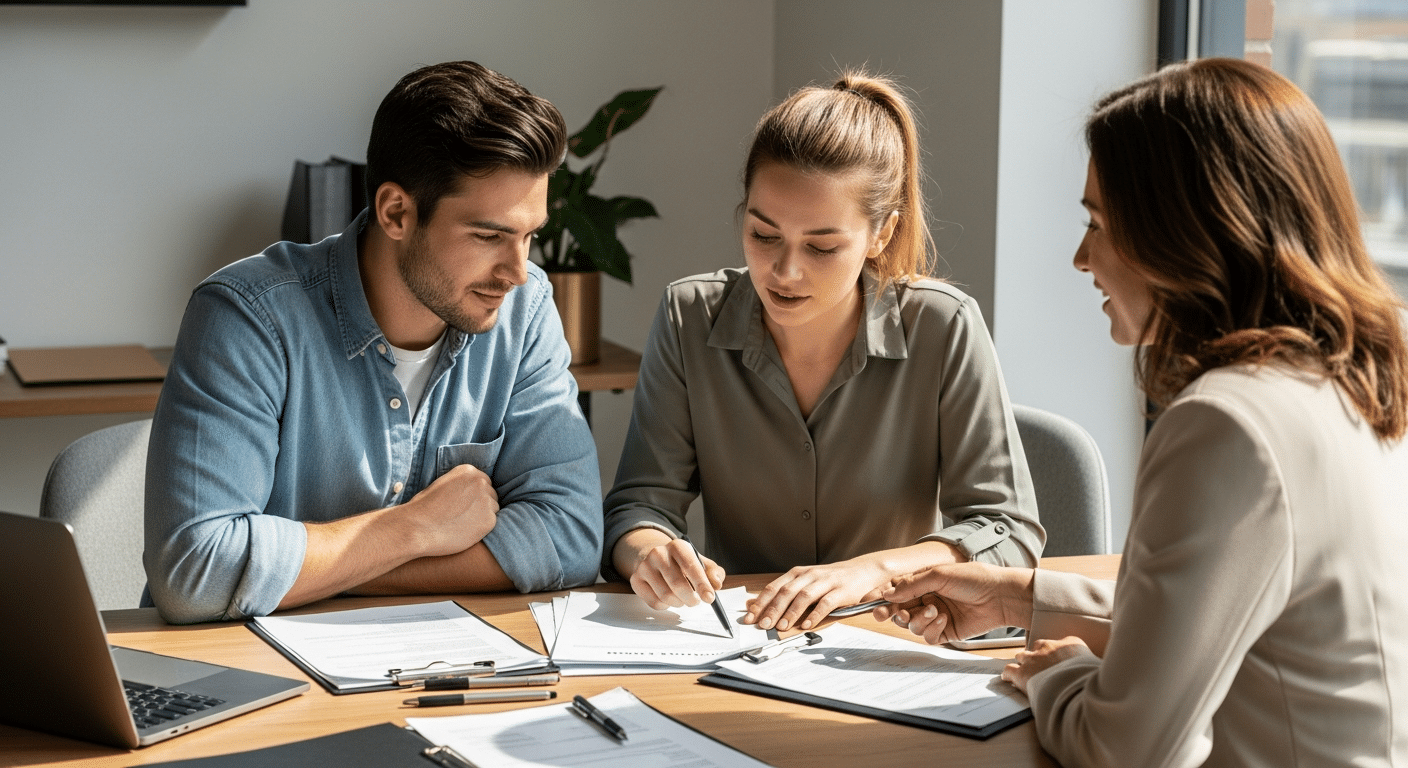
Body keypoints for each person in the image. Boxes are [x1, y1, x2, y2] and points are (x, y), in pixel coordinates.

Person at [878, 58, 1408, 767]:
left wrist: (1056, 675)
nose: (1079, 257)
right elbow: (1229, 618)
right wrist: (1014, 598)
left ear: (1182, 230)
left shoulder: (1227, 424)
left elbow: (1125, 748)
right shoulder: (1347, 381)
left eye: (1096, 221)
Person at [144, 61, 603, 625]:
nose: (516, 270)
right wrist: (416, 528)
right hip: (247, 674)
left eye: (530, 235)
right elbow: (196, 571)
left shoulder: (524, 311)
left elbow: (572, 537)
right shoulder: (248, 316)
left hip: (433, 666)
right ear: (396, 212)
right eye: (489, 236)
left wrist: (334, 570)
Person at [603, 71, 1044, 634]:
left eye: (823, 246)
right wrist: (650, 553)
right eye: (764, 235)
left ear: (881, 235)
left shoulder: (944, 325)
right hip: (741, 645)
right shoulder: (689, 316)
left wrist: (873, 570)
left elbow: (1008, 529)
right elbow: (638, 505)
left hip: (889, 644)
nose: (785, 272)